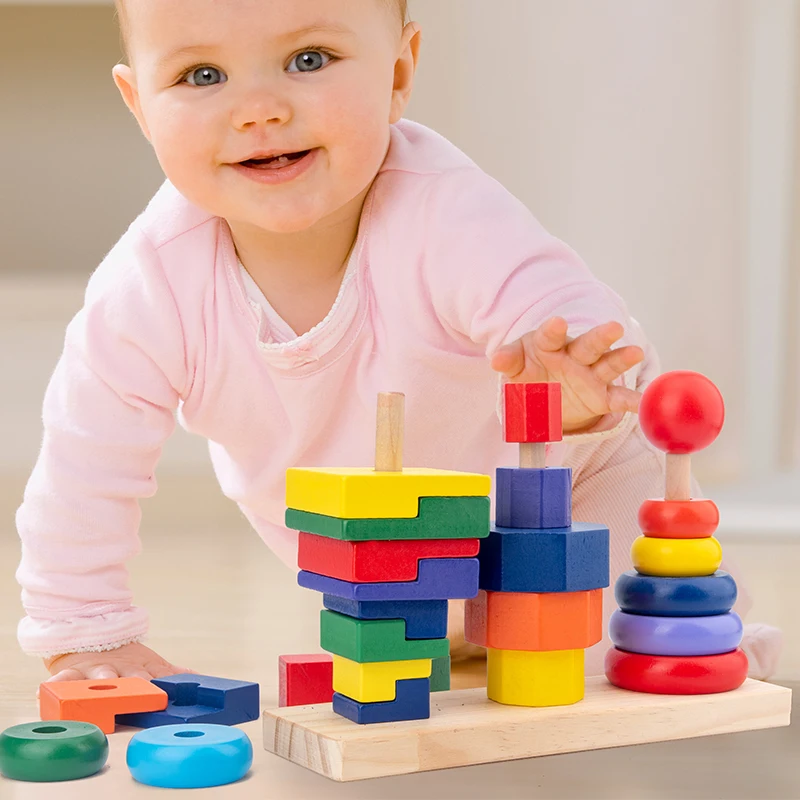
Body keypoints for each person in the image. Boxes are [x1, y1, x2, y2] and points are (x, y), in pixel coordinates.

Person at [16, 0, 781, 683]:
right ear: (140, 105)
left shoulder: (442, 209)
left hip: (564, 492)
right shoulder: (149, 286)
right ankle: (475, 627)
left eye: (308, 59)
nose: (258, 110)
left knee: (625, 649)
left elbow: (549, 301)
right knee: (418, 664)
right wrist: (87, 631)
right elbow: (85, 460)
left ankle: (716, 641)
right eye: (202, 75)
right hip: (380, 550)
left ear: (398, 72)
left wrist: (573, 376)